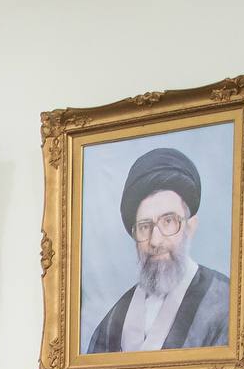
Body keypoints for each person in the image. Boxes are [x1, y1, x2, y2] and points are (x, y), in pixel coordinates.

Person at [84, 145, 232, 355]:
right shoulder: (113, 322)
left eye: (168, 221)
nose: (155, 240)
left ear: (190, 227)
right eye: (145, 227)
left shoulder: (224, 302)